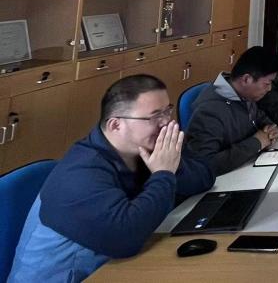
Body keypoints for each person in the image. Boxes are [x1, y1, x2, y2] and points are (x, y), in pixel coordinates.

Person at [8, 75, 214, 282]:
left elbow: (204, 178)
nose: (166, 122)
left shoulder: (141, 149)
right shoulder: (81, 175)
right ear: (116, 125)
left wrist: (171, 164)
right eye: (154, 116)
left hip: (112, 266)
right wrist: (163, 174)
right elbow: (126, 240)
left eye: (167, 111)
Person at [185, 46, 278, 175]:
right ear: (246, 79)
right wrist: (256, 143)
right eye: (267, 83)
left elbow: (260, 118)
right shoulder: (209, 111)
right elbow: (204, 165)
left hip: (246, 169)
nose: (269, 89)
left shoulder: (243, 94)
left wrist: (270, 129)